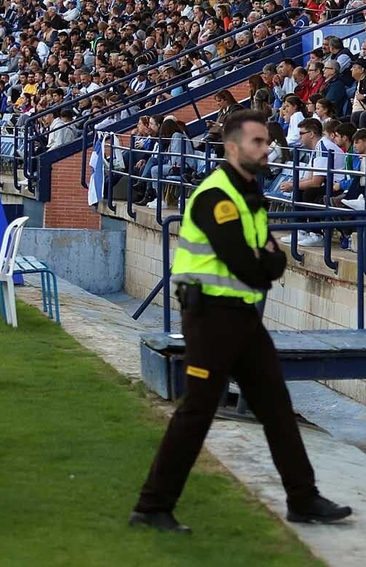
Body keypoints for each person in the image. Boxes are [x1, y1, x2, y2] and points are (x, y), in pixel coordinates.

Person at [132, 109, 351, 532]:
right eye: (257, 142)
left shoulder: (250, 193)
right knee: (197, 410)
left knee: (276, 407)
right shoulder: (217, 196)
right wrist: (266, 261)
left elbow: (269, 262)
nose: (267, 148)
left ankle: (303, 499)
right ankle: (152, 505)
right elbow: (249, 263)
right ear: (233, 148)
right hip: (211, 317)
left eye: (267, 142)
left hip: (243, 317)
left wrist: (266, 261)